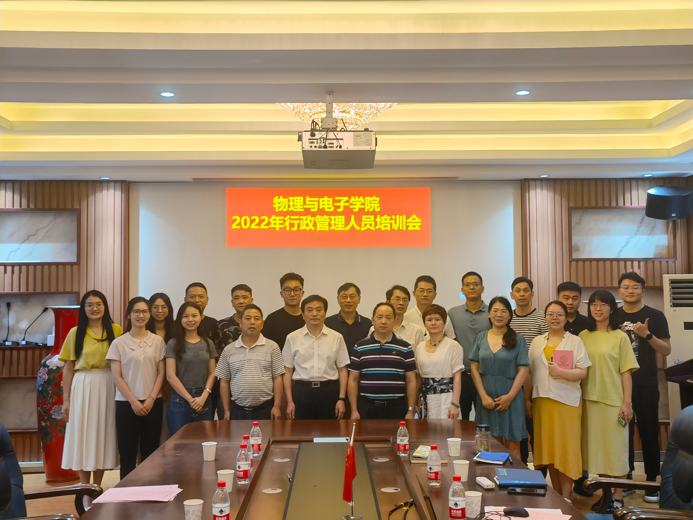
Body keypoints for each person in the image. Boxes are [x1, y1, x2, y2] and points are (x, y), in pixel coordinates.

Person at [579, 290, 639, 514]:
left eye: (603, 304)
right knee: (599, 452)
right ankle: (605, 496)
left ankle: (618, 496)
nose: (598, 308)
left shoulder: (620, 336)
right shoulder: (583, 336)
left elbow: (626, 372)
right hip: (589, 401)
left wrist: (627, 403)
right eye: (594, 304)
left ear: (612, 309)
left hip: (614, 401)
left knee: (616, 451)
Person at [526, 301, 591, 501]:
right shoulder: (537, 342)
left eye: (559, 314)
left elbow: (583, 372)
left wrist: (561, 372)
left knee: (566, 449)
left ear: (565, 317)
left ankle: (566, 495)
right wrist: (528, 399)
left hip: (566, 402)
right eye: (551, 314)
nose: (555, 318)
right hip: (542, 401)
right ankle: (557, 494)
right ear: (545, 317)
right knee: (549, 450)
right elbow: (529, 372)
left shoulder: (575, 341)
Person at [615, 272, 671, 503]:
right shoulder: (613, 315)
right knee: (622, 433)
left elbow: (666, 350)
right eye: (626, 287)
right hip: (618, 385)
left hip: (646, 382)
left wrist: (647, 335)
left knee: (649, 432)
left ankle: (650, 481)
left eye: (635, 287)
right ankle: (626, 477)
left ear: (643, 291)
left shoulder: (655, 315)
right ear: (619, 291)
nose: (630, 291)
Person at [59, 290, 122, 488]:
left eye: (99, 304)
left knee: (103, 433)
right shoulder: (75, 332)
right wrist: (66, 399)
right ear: (83, 309)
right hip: (83, 385)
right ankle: (85, 488)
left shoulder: (116, 330)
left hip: (109, 383)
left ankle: (98, 486)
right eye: (89, 305)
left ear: (105, 306)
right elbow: (68, 368)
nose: (95, 308)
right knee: (83, 434)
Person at [106, 297, 166, 480]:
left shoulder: (158, 341)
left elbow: (161, 373)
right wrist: (133, 401)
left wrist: (151, 398)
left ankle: (150, 490)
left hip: (153, 402)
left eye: (145, 311)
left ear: (149, 314)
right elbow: (117, 376)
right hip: (126, 403)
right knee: (127, 453)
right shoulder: (119, 343)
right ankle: (127, 492)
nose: (141, 315)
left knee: (151, 451)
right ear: (129, 315)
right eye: (136, 311)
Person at [469, 296, 529, 461]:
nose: (499, 314)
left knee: (513, 445)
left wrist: (510, 397)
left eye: (503, 311)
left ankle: (512, 477)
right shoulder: (480, 338)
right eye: (495, 311)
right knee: (490, 445)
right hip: (486, 399)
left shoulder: (518, 339)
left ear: (509, 315)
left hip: (511, 397)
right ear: (489, 314)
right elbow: (474, 369)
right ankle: (492, 476)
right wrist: (483, 396)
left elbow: (523, 370)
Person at [282, 295, 350, 420]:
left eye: (319, 310)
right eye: (309, 310)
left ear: (325, 313)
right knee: (301, 430)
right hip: (302, 392)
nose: (314, 314)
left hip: (329, 391)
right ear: (303, 314)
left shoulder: (337, 337)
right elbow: (288, 371)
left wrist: (341, 398)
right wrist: (289, 401)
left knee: (330, 430)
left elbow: (343, 370)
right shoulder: (292, 338)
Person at [348, 303, 417, 420]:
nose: (383, 321)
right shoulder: (360, 347)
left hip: (396, 408)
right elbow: (353, 380)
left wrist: (410, 410)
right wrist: (354, 410)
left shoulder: (405, 347)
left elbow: (411, 381)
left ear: (394, 321)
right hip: (367, 407)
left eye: (388, 317)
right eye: (379, 317)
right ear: (372, 320)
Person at [215, 304, 284, 420]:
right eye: (248, 318)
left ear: (262, 324)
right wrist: (226, 410)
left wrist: (277, 406)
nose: (252, 322)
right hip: (237, 410)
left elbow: (278, 378)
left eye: (256, 319)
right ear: (240, 323)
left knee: (266, 433)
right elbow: (224, 381)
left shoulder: (272, 347)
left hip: (265, 408)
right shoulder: (229, 349)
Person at [555, 281, 592, 497]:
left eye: (574, 298)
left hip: (583, 385)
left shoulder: (588, 324)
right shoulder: (551, 321)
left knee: (579, 435)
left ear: (580, 300)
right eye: (565, 298)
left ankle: (581, 479)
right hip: (556, 389)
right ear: (558, 298)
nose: (570, 302)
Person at [510, 276, 549, 468]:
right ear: (512, 295)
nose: (522, 294)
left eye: (526, 290)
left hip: (537, 382)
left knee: (537, 430)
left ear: (532, 294)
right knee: (518, 432)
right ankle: (522, 468)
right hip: (512, 384)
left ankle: (541, 473)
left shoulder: (542, 318)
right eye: (518, 290)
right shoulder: (507, 318)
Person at [165, 302, 217, 436]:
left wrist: (204, 396)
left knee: (203, 442)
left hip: (204, 399)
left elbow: (213, 373)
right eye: (185, 316)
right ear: (180, 319)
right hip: (180, 400)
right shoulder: (173, 343)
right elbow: (170, 376)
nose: (190, 320)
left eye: (194, 316)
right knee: (179, 443)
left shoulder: (208, 343)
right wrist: (190, 399)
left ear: (201, 317)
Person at [448, 271, 491, 421]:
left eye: (475, 284)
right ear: (462, 290)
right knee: (461, 421)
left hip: (485, 375)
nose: (471, 287)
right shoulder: (452, 313)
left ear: (482, 288)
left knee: (484, 419)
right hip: (461, 376)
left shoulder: (492, 312)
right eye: (468, 284)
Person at [415, 305, 465, 419]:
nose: (433, 323)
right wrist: (415, 403)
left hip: (446, 398)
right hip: (425, 398)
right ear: (424, 323)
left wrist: (455, 404)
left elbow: (457, 377)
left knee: (446, 429)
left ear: (444, 323)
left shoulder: (453, 345)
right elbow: (418, 378)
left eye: (437, 319)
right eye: (429, 320)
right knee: (425, 429)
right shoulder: (419, 347)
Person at [184, 282, 223, 418]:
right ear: (185, 299)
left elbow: (217, 353)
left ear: (207, 300)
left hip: (209, 383)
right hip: (183, 387)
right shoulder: (179, 324)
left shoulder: (213, 323)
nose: (197, 300)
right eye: (192, 296)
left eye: (201, 296)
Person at [146, 292, 175, 443]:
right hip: (147, 386)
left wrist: (167, 389)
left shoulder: (176, 331)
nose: (160, 310)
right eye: (155, 307)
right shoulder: (143, 330)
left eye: (164, 307)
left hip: (171, 388)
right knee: (149, 432)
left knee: (166, 430)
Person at [325, 282, 372, 357]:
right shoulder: (327, 323)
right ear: (338, 299)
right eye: (344, 297)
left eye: (352, 296)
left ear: (359, 299)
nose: (348, 300)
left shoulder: (367, 324)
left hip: (361, 363)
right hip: (336, 364)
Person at [263, 273, 306, 350]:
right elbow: (267, 348)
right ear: (281, 294)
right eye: (287, 290)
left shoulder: (309, 318)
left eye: (296, 290)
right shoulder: (272, 319)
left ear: (302, 293)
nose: (292, 294)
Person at [218, 284, 253, 350]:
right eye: (236, 298)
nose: (241, 301)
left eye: (245, 297)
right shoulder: (221, 325)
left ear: (251, 301)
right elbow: (218, 351)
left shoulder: (258, 324)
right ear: (232, 302)